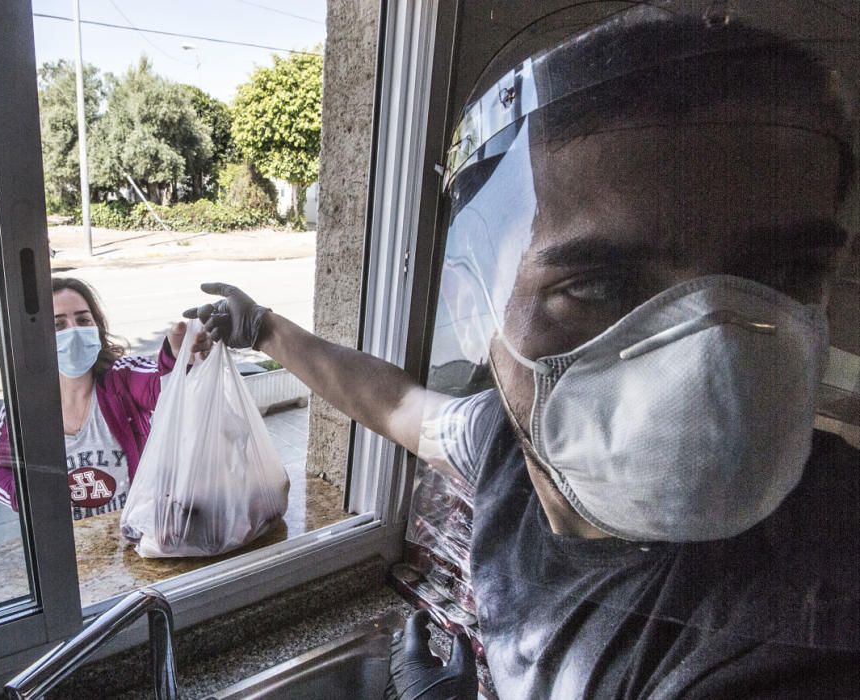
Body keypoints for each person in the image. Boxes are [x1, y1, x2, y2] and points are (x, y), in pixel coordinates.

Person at [188, 2, 859, 698]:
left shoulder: (815, 610)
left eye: (783, 274)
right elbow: (396, 403)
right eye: (600, 284)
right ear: (474, 305)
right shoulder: (513, 447)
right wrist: (265, 327)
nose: (710, 362)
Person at [0, 277, 209, 521]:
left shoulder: (122, 377)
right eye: (58, 325)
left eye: (83, 320)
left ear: (97, 327)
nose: (74, 331)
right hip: (67, 543)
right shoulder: (25, 405)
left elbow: (161, 385)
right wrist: (28, 498)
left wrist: (177, 357)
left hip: (136, 528)